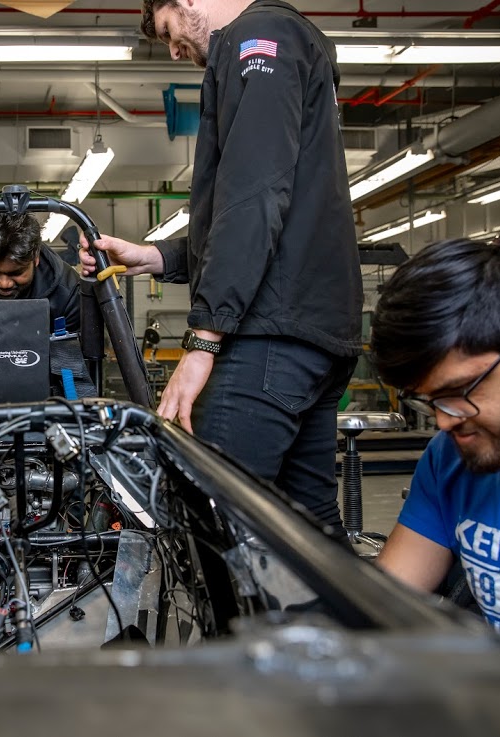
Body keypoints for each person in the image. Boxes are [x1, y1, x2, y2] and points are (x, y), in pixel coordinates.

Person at [79, 0, 362, 533]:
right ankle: (346, 620)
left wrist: (203, 341)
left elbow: (254, 198)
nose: (174, 50)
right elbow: (278, 216)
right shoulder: (292, 42)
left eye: (168, 32)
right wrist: (154, 257)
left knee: (212, 521)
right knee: (308, 535)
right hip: (312, 335)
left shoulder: (258, 39)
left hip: (268, 338)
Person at [372, 239, 500, 670]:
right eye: (429, 401)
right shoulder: (451, 457)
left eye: (458, 393)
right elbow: (384, 611)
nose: (443, 422)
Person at [0, 212, 81, 343]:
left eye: (16, 273)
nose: (4, 284)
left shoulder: (68, 292)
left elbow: (73, 358)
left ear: (35, 259)